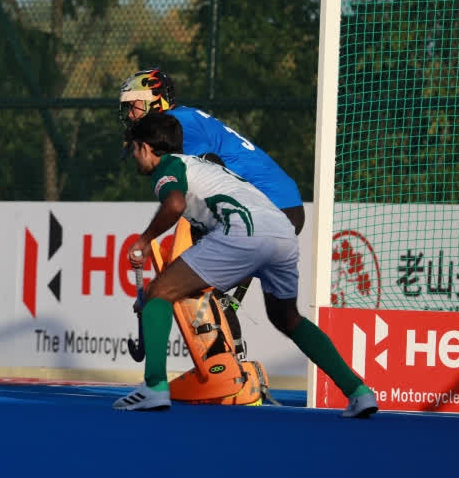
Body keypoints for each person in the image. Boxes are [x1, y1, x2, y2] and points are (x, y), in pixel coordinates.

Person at [116, 112, 377, 417]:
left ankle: (155, 386)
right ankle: (358, 392)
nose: (135, 159)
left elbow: (174, 204)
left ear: (147, 148)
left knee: (159, 292)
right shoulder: (206, 167)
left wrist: (145, 240)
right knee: (287, 317)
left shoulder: (169, 167)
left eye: (134, 150)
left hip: (244, 231)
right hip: (282, 231)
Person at [119, 69, 304, 234]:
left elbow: (212, 163)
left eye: (133, 105)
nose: (129, 114)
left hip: (270, 205)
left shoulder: (177, 122)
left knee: (199, 267)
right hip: (278, 202)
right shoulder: (182, 118)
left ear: (154, 100)